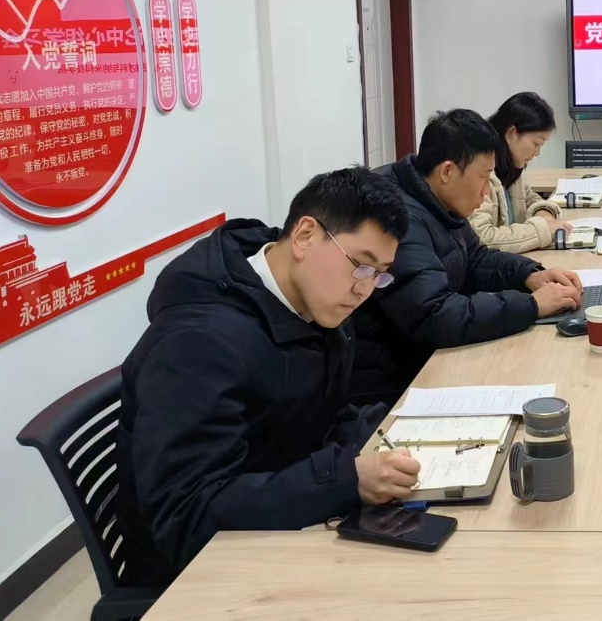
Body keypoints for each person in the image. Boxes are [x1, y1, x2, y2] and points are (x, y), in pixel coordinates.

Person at [116, 168, 423, 586]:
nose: (364, 289)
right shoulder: (197, 345)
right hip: (201, 577)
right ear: (305, 236)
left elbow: (324, 413)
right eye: (360, 266)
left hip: (283, 519)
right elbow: (188, 519)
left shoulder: (313, 302)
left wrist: (394, 439)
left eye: (379, 274)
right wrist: (344, 481)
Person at [350, 109, 583, 407]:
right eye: (483, 178)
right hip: (394, 386)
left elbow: (476, 258)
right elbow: (434, 315)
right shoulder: (399, 216)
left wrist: (529, 274)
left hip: (427, 359)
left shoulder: (435, 197)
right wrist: (532, 305)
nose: (486, 193)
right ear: (447, 171)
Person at [469, 92, 569, 253]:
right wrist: (541, 231)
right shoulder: (481, 172)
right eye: (536, 143)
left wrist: (545, 213)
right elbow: (482, 238)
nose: (537, 153)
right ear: (511, 133)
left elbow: (530, 198)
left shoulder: (509, 168)